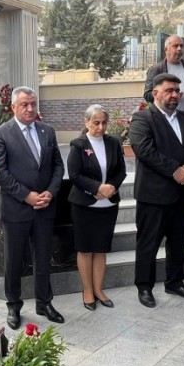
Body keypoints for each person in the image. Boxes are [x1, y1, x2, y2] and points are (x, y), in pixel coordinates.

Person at [129, 73, 184, 307]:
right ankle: (144, 287)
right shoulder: (142, 118)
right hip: (153, 196)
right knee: (148, 244)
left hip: (183, 195)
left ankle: (175, 282)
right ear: (155, 93)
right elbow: (145, 150)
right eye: (169, 90)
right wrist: (176, 171)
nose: (175, 94)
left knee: (179, 241)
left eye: (177, 90)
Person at [0, 86, 65, 329]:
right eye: (25, 104)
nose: (31, 108)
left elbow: (58, 167)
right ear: (13, 107)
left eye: (33, 103)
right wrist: (27, 196)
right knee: (14, 260)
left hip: (44, 208)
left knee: (43, 258)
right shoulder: (1, 133)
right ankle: (13, 305)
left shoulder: (47, 131)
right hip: (16, 210)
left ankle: (44, 302)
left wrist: (50, 192)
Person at [66, 104, 127, 310]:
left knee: (101, 248)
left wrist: (111, 188)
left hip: (108, 205)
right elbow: (75, 175)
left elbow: (121, 171)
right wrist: (96, 188)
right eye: (96, 123)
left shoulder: (113, 143)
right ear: (86, 123)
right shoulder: (78, 144)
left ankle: (99, 289)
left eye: (103, 123)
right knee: (85, 249)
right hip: (84, 205)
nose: (100, 127)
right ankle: (87, 290)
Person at [143, 35, 184, 121]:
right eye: (175, 46)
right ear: (166, 49)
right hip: (165, 120)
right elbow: (147, 95)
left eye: (181, 46)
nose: (179, 49)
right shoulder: (157, 69)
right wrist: (168, 96)